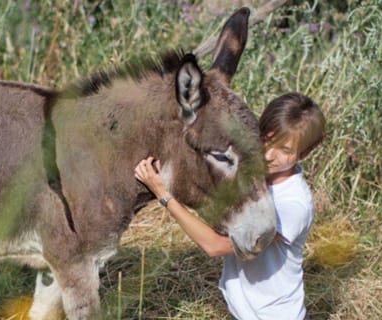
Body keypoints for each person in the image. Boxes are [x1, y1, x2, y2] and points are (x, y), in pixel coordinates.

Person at [134, 92, 326, 319]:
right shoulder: (254, 175)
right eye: (266, 140)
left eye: (285, 150)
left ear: (303, 154)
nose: (269, 155)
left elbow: (215, 246)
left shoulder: (292, 204)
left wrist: (164, 195)